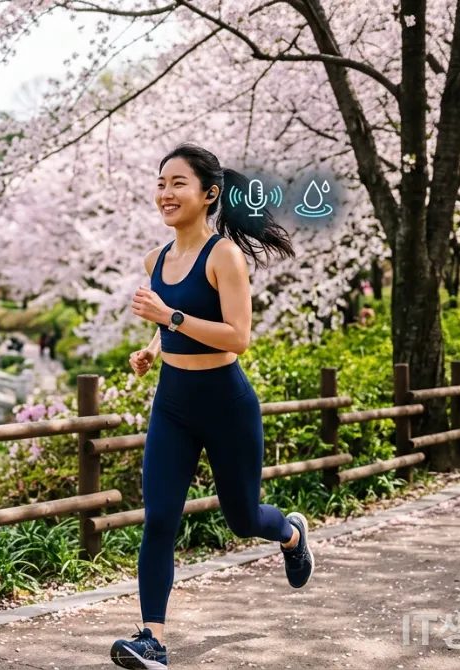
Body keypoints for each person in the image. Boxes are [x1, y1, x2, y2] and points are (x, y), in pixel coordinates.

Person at [109, 144, 310, 670]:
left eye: (178, 183)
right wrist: (154, 348)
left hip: (226, 404)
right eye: (160, 183)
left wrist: (169, 318)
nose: (165, 193)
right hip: (173, 404)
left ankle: (289, 534)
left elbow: (237, 336)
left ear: (209, 195)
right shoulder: (155, 260)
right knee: (159, 519)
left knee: (243, 518)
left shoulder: (225, 256)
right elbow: (169, 322)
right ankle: (151, 638)